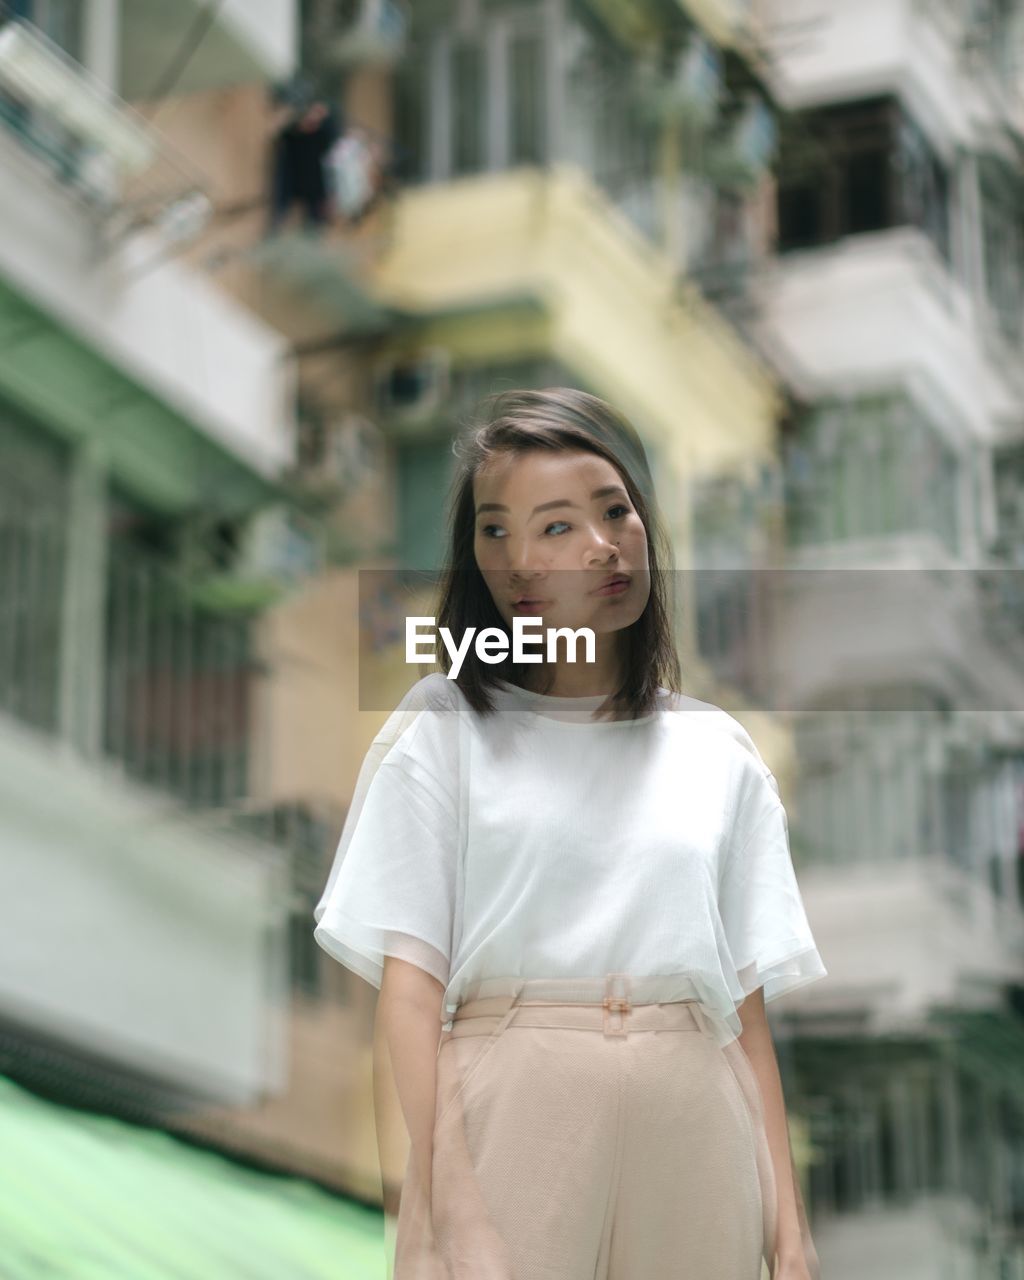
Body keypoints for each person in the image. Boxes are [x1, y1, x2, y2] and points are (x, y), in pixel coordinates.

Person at [313, 387, 828, 1279]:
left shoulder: (718, 751)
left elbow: (743, 1015)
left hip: (694, 1107)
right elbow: (407, 995)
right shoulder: (445, 725)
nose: (602, 543)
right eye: (553, 528)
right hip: (514, 1092)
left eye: (613, 509)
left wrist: (790, 1231)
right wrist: (448, 1211)